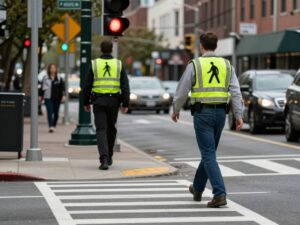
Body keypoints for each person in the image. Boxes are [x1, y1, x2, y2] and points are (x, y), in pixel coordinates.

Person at [171, 32, 244, 208]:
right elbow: (235, 91)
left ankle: (219, 193)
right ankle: (197, 188)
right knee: (209, 153)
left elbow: (182, 90)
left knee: (208, 154)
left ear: (201, 46)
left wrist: (176, 109)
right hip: (221, 114)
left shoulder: (195, 65)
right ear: (216, 46)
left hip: (203, 114)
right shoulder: (227, 64)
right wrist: (239, 115)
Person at [83, 40, 130, 170]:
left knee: (101, 130)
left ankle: (103, 158)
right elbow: (125, 85)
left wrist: (85, 102)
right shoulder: (118, 64)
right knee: (111, 128)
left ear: (101, 49)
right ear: (111, 49)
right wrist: (125, 103)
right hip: (114, 102)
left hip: (98, 101)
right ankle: (109, 156)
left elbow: (87, 85)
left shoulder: (94, 64)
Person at [39, 63, 65, 133]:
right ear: (49, 69)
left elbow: (62, 88)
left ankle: (54, 124)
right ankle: (51, 126)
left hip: (57, 98)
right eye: (51, 68)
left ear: (56, 69)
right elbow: (42, 88)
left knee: (56, 113)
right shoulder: (45, 78)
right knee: (49, 112)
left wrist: (63, 96)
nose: (52, 69)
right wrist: (40, 96)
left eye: (54, 68)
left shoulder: (59, 78)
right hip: (48, 97)